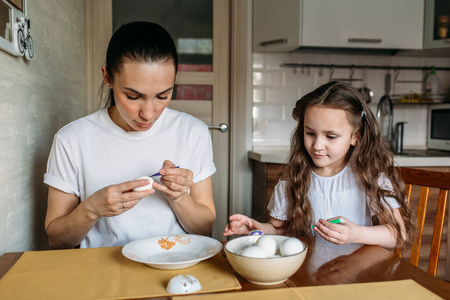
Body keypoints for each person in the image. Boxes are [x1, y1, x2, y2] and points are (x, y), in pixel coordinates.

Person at [44, 21, 216, 249]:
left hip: (173, 265)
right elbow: (56, 240)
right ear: (107, 77)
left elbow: (204, 229)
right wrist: (91, 208)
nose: (148, 114)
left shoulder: (194, 132)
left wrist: (179, 197)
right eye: (133, 97)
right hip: (102, 271)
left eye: (163, 96)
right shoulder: (72, 139)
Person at [224, 81, 414, 249]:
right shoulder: (293, 180)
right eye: (310, 133)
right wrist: (257, 228)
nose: (317, 145)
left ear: (355, 136)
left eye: (330, 136)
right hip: (311, 274)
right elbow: (280, 231)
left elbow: (398, 235)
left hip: (358, 277)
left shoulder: (371, 178)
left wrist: (356, 234)